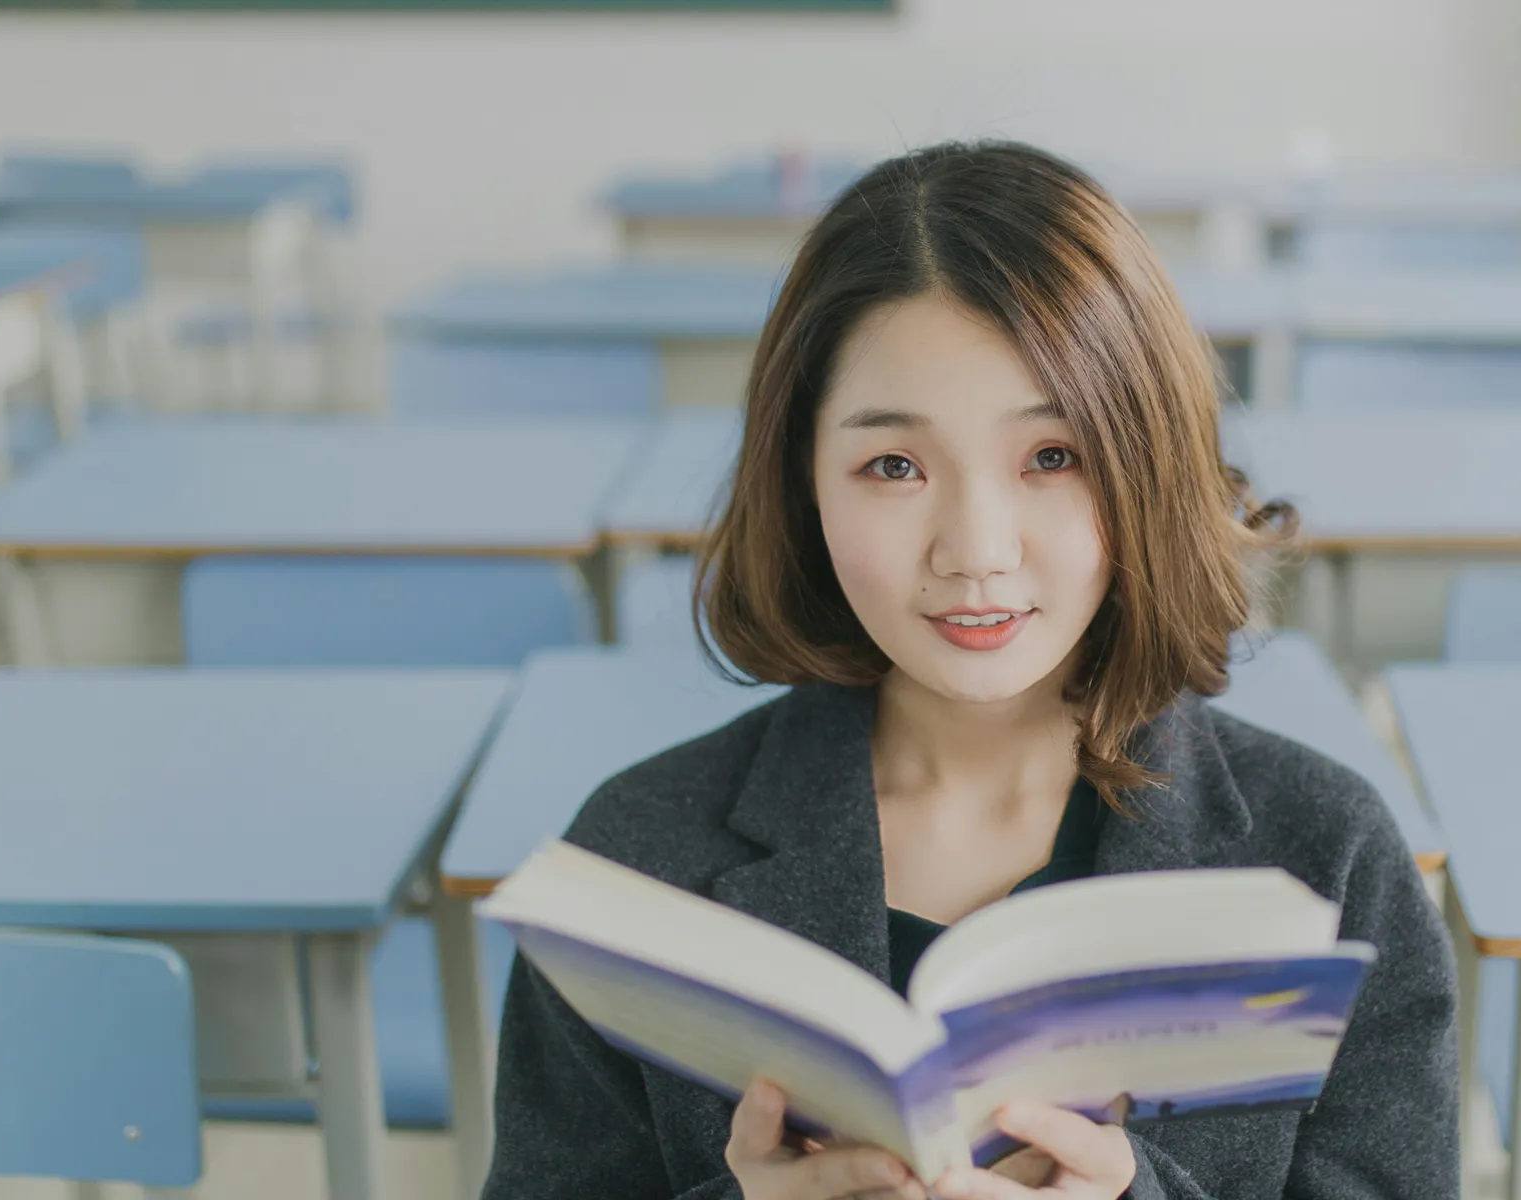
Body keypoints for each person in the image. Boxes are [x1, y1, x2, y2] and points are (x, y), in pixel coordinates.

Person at [482, 140, 1458, 1200]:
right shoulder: (638, 864)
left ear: (1147, 463)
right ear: (804, 483)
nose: (975, 548)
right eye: (893, 466)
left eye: (1052, 456)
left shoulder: (1328, 861)